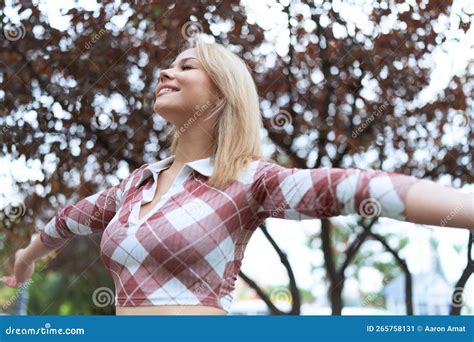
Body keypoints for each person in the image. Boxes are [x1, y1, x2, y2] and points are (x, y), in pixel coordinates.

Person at [2, 34, 473, 316]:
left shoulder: (250, 181)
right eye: (169, 64)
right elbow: (65, 222)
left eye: (187, 66)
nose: (166, 71)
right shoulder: (135, 185)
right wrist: (24, 260)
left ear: (223, 93)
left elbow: (359, 189)